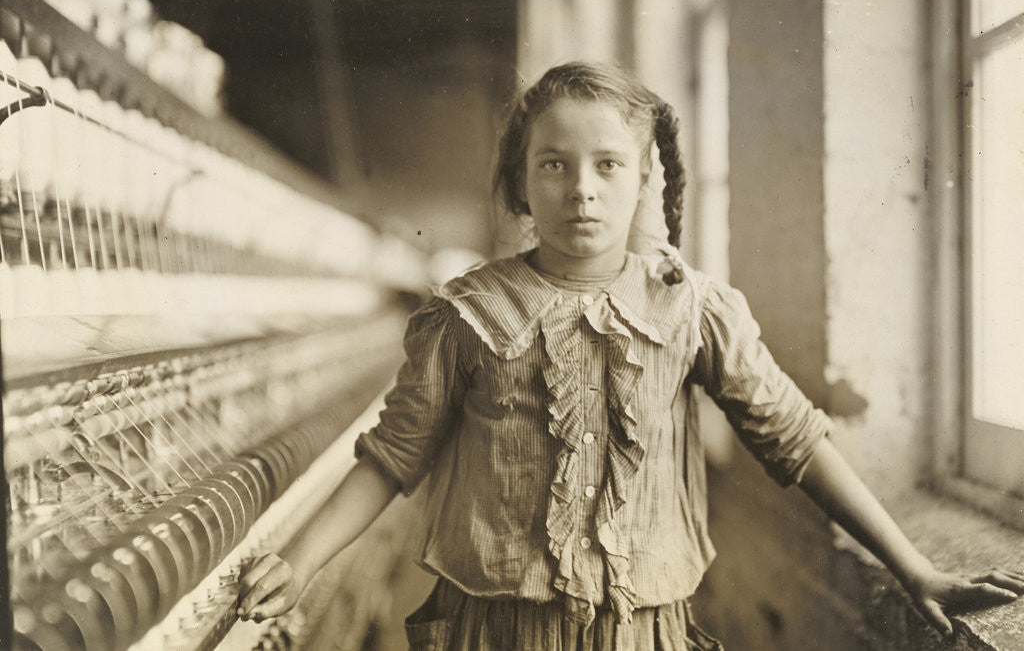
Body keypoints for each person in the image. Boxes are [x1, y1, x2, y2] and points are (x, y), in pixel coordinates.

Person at [237, 62, 1023, 650]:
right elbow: (390, 455)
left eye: (608, 165)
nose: (582, 188)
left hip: (640, 631)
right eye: (554, 164)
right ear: (519, 180)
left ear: (645, 178)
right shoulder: (465, 316)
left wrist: (914, 565)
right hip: (495, 629)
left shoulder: (693, 308)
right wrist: (299, 563)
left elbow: (796, 438)